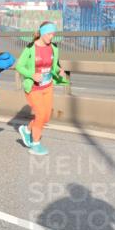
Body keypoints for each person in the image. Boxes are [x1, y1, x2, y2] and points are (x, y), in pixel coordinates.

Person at [15, 21, 68, 156]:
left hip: (48, 86)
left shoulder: (54, 48)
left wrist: (59, 70)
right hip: (34, 87)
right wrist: (31, 75)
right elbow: (19, 66)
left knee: (46, 117)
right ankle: (35, 144)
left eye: (53, 34)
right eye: (50, 34)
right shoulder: (30, 48)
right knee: (40, 115)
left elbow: (53, 65)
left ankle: (27, 130)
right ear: (43, 33)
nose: (52, 37)